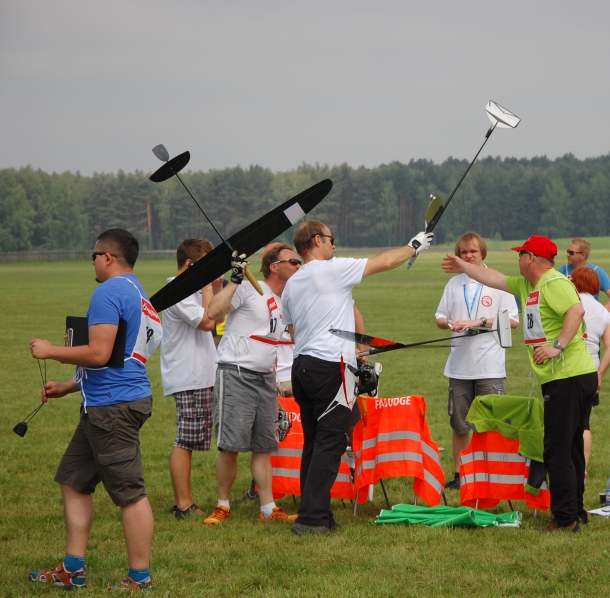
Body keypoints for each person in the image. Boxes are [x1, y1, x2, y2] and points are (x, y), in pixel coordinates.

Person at [29, 229, 162, 592]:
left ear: (108, 257)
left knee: (130, 493)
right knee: (73, 480)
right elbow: (122, 357)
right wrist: (69, 386)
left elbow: (100, 353)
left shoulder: (108, 291)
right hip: (106, 402)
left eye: (94, 255)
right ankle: (73, 570)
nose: (92, 262)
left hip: (113, 408)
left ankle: (139, 578)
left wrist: (51, 350)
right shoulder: (139, 293)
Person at [281, 220, 433, 535]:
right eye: (331, 239)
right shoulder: (332, 269)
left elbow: (293, 331)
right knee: (331, 441)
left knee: (314, 442)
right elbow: (385, 262)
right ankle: (311, 519)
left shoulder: (292, 283)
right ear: (317, 240)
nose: (334, 245)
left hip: (301, 367)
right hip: (329, 368)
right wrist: (414, 245)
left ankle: (317, 512)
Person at [442, 234, 598, 533]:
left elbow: (576, 311)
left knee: (557, 450)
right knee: (571, 447)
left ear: (531, 258)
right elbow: (491, 276)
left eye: (520, 254)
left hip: (569, 376)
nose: (517, 260)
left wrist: (557, 346)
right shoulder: (528, 285)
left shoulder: (553, 282)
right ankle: (575, 511)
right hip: (567, 377)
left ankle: (565, 519)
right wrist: (463, 265)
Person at [201, 243, 301, 525]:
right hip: (236, 373)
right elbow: (214, 312)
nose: (299, 265)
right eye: (293, 261)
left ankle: (268, 508)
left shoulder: (286, 301)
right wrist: (234, 279)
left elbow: (283, 341)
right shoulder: (247, 289)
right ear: (274, 267)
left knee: (263, 446)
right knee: (230, 446)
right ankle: (222, 505)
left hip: (265, 378)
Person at [434, 232, 518, 490]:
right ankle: (460, 475)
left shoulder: (498, 281)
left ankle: (490, 474)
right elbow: (440, 316)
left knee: (490, 425)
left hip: (490, 366)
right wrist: (449, 324)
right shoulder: (453, 284)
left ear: (482, 252)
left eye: (473, 251)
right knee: (460, 425)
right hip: (459, 367)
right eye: (464, 252)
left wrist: (479, 322)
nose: (468, 256)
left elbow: (513, 321)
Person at [160, 239, 223, 519]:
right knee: (185, 440)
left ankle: (183, 501)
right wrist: (208, 287)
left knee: (191, 437)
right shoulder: (178, 291)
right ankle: (183, 504)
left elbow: (217, 313)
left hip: (199, 374)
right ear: (190, 264)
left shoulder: (192, 290)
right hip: (189, 375)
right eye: (206, 266)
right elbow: (208, 322)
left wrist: (216, 287)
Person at [569, 267, 610, 478]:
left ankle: (565, 465)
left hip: (568, 369)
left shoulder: (570, 304)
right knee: (584, 422)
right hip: (591, 372)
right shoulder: (603, 311)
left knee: (564, 421)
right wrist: (600, 375)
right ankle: (583, 468)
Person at [557, 238, 610, 312]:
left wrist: (609, 305)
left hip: (589, 314)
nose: (567, 255)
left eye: (571, 253)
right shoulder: (562, 271)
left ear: (582, 255)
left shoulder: (596, 271)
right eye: (568, 251)